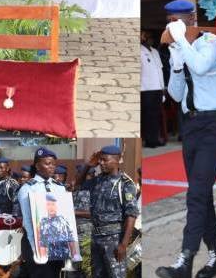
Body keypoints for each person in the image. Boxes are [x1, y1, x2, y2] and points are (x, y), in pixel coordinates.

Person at [155, 0, 216, 278]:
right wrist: (175, 65)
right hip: (191, 126)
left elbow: (199, 66)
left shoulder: (209, 43)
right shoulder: (180, 48)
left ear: (191, 18)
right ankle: (215, 257)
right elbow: (175, 95)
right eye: (169, 20)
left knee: (196, 193)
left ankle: (185, 260)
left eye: (177, 20)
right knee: (201, 195)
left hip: (213, 124)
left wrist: (182, 46)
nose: (172, 26)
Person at [87, 146, 139, 278]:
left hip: (114, 240)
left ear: (117, 160)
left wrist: (123, 244)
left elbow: (131, 215)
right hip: (96, 239)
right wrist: (88, 165)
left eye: (105, 160)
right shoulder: (97, 181)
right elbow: (77, 185)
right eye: (100, 160)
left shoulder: (125, 183)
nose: (101, 163)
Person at [17, 147, 68, 278]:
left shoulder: (59, 188)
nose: (51, 167)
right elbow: (28, 221)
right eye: (47, 163)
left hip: (56, 244)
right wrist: (36, 248)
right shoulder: (28, 188)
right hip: (35, 242)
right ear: (37, 166)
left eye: (53, 164)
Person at [141, 29, 166, 147]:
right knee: (148, 116)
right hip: (145, 89)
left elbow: (159, 70)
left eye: (152, 37)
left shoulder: (155, 52)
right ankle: (149, 140)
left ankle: (155, 138)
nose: (151, 39)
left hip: (157, 88)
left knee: (156, 115)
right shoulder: (139, 51)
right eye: (148, 37)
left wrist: (163, 88)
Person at [38, 193, 79, 260]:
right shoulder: (43, 221)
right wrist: (42, 257)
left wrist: (74, 255)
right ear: (45, 206)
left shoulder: (64, 219)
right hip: (50, 257)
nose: (51, 207)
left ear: (57, 206)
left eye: (53, 204)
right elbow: (43, 242)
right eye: (48, 204)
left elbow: (71, 239)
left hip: (64, 256)